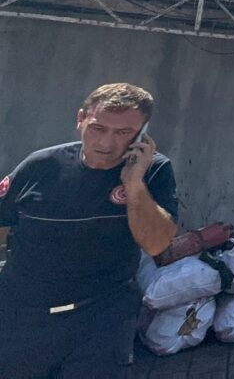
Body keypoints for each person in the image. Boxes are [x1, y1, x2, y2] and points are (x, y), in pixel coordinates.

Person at [0, 83, 179, 378]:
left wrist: (134, 184)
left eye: (123, 133)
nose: (106, 143)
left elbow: (156, 244)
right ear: (80, 119)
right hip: (22, 317)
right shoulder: (41, 165)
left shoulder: (154, 172)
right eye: (98, 128)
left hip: (101, 318)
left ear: (142, 134)